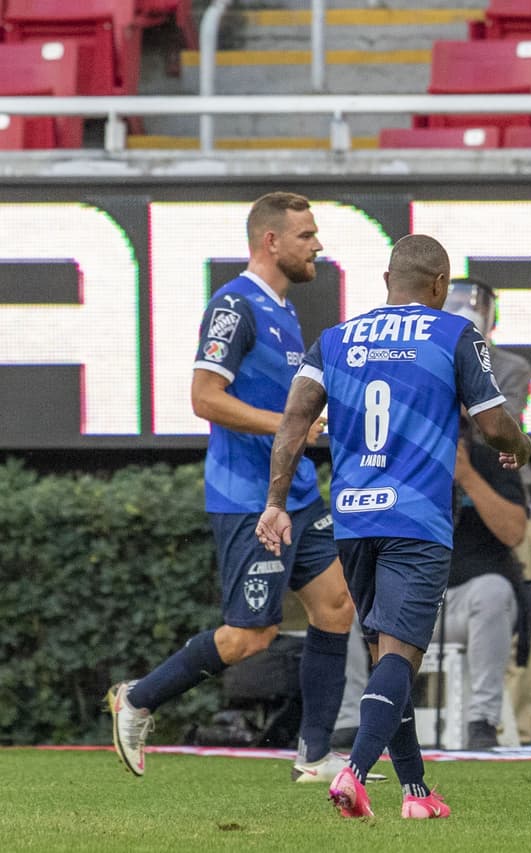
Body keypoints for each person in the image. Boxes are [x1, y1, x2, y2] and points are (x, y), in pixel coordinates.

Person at [255, 234, 531, 820]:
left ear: (386, 281)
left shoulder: (333, 339)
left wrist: (276, 502)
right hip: (415, 518)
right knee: (402, 655)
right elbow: (495, 425)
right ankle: (354, 773)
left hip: (353, 519)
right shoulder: (455, 333)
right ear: (439, 287)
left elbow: (293, 424)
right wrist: (522, 446)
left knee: (386, 651)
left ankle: (415, 790)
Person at [107, 192, 356, 783]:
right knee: (250, 635)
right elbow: (204, 398)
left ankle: (315, 756)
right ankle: (139, 699)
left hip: (295, 493)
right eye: (306, 235)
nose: (317, 244)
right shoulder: (234, 306)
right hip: (248, 497)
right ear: (271, 241)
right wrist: (288, 424)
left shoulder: (284, 310)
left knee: (337, 605)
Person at [443, 278, 531, 744]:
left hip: (500, 482)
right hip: (440, 490)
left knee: (512, 598)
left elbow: (500, 426)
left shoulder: (511, 367)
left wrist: (463, 390)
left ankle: (512, 726)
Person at [434, 423, 530, 750]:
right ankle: (351, 722)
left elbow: (515, 533)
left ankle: (482, 722)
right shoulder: (409, 461)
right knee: (345, 601)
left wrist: (467, 477)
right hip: (421, 601)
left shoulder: (494, 461)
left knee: (493, 591)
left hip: (472, 598)